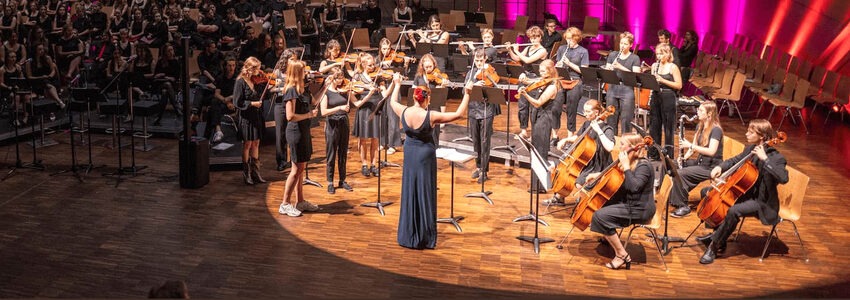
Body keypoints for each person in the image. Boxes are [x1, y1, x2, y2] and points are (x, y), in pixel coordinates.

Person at [388, 72, 470, 250]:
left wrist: (396, 84)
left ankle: (407, 234)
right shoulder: (431, 116)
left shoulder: (404, 110)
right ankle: (424, 237)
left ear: (414, 98)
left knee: (410, 190)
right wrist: (468, 93)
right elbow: (458, 114)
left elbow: (392, 102)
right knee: (424, 191)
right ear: (426, 99)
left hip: (410, 154)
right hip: (425, 157)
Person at [698, 119, 788, 264]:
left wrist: (764, 159)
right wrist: (720, 167)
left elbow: (783, 178)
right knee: (707, 193)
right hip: (744, 193)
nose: (746, 134)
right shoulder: (750, 149)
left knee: (733, 211)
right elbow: (735, 160)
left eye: (750, 132)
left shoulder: (776, 158)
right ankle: (718, 235)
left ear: (762, 136)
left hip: (762, 201)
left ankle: (714, 246)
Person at [588, 132, 655, 269]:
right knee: (601, 203)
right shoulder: (632, 160)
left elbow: (633, 187)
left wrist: (626, 167)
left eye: (622, 144)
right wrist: (599, 176)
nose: (619, 147)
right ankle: (608, 234)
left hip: (640, 209)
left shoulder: (644, 166)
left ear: (633, 147)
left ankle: (621, 255)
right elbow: (618, 179)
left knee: (599, 216)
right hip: (631, 202)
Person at [545, 99, 615, 205]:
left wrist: (599, 131)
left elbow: (610, 147)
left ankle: (585, 200)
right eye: (584, 111)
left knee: (578, 183)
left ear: (596, 112)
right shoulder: (587, 124)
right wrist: (565, 139)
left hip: (598, 164)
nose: (584, 114)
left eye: (588, 111)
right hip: (586, 160)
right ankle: (559, 196)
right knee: (565, 172)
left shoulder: (607, 129)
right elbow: (578, 137)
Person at [278, 60, 320, 217]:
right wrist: (308, 115)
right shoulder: (291, 91)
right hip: (295, 132)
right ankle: (285, 203)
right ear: (297, 73)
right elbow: (290, 116)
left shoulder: (303, 89)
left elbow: (315, 102)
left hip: (304, 130)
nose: (307, 73)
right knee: (296, 170)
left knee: (301, 168)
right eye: (304, 70)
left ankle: (300, 201)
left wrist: (325, 86)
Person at [669, 101, 723, 217]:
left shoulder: (716, 130)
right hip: (700, 162)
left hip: (711, 167)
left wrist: (690, 146)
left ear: (709, 114)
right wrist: (683, 158)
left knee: (681, 174)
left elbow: (711, 151)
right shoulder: (700, 126)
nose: (697, 112)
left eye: (701, 110)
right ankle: (673, 196)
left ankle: (683, 206)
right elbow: (692, 148)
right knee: (672, 164)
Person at [517, 59, 559, 190]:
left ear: (550, 71)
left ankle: (540, 185)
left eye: (543, 71)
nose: (540, 73)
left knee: (540, 151)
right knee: (535, 151)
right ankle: (536, 183)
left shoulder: (552, 86)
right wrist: (524, 79)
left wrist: (525, 95)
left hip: (544, 120)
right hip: (537, 118)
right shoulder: (543, 81)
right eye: (539, 70)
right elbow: (531, 81)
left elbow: (538, 103)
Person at [351, 54, 390, 178]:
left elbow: (384, 94)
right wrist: (366, 89)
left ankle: (374, 164)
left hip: (376, 108)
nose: (373, 67)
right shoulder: (357, 76)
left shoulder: (378, 77)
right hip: (364, 109)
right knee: (363, 139)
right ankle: (364, 164)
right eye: (370, 65)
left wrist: (394, 84)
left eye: (374, 64)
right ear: (363, 65)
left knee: (375, 138)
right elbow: (353, 91)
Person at [465, 49, 500, 183]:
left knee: (485, 141)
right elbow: (464, 90)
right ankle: (478, 166)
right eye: (477, 60)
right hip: (473, 110)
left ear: (485, 59)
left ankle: (484, 171)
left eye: (481, 60)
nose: (479, 63)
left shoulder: (490, 72)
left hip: (486, 110)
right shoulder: (470, 73)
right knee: (475, 141)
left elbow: (494, 87)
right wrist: (473, 85)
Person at [320, 67, 354, 194]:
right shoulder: (326, 93)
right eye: (338, 78)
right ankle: (330, 181)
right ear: (332, 78)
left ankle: (342, 180)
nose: (341, 80)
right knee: (331, 154)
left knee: (343, 152)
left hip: (344, 122)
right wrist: (339, 107)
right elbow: (323, 112)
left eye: (342, 77)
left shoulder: (343, 91)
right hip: (332, 124)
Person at [233, 57, 267, 185]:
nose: (259, 71)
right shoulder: (240, 82)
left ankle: (256, 172)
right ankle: (246, 173)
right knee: (247, 144)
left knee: (256, 143)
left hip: (257, 116)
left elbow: (263, 94)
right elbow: (237, 102)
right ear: (249, 68)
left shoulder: (257, 80)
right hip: (247, 117)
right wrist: (252, 103)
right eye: (256, 68)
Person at [510, 26, 548, 140]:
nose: (533, 40)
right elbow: (517, 59)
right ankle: (523, 131)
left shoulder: (542, 50)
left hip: (535, 80)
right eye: (531, 38)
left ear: (540, 37)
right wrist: (510, 50)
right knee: (522, 106)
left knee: (533, 108)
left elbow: (527, 60)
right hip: (524, 78)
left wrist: (517, 50)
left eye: (535, 37)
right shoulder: (528, 48)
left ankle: (534, 133)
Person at [649, 43, 683, 160]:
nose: (658, 56)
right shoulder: (654, 66)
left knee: (668, 127)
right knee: (654, 126)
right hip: (656, 96)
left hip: (668, 96)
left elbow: (679, 85)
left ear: (667, 54)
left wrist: (663, 80)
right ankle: (653, 154)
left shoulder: (673, 67)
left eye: (661, 54)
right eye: (657, 54)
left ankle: (668, 155)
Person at [553, 26, 589, 138]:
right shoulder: (562, 49)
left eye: (571, 39)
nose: (569, 41)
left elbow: (584, 71)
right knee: (555, 108)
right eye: (567, 39)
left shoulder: (583, 51)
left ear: (577, 38)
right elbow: (557, 65)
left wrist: (569, 63)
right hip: (562, 80)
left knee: (571, 109)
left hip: (575, 81)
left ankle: (570, 136)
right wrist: (558, 65)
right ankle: (554, 136)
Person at [604, 31, 641, 135]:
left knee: (626, 119)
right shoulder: (612, 55)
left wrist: (620, 67)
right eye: (621, 43)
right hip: (613, 88)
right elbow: (607, 72)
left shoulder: (634, 58)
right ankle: (612, 141)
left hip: (627, 90)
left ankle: (625, 145)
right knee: (611, 117)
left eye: (625, 44)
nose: (622, 46)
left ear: (630, 45)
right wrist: (610, 69)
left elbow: (636, 75)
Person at [411, 53, 448, 146]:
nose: (428, 69)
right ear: (422, 66)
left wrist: (442, 86)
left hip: (434, 107)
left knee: (435, 132)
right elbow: (413, 90)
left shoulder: (438, 76)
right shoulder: (418, 76)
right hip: (421, 108)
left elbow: (441, 95)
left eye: (430, 67)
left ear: (434, 64)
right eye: (426, 67)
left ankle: (435, 148)